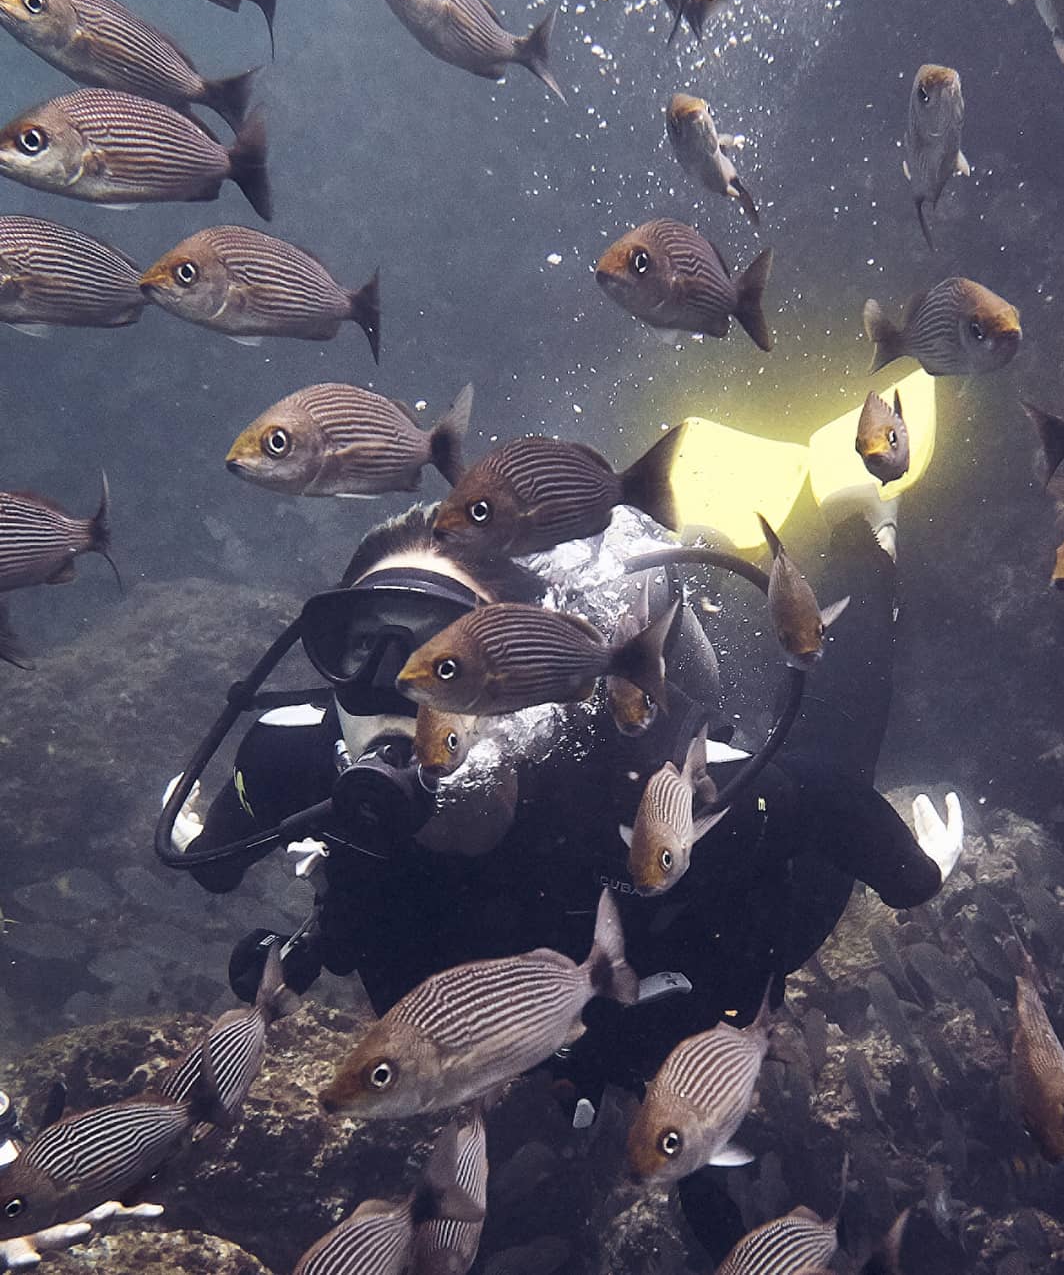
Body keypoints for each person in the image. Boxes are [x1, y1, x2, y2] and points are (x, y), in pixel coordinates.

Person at [162, 392, 963, 1262]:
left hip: (713, 965)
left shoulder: (626, 777)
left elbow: (831, 799)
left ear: (516, 669)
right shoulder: (294, 761)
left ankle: (858, 523)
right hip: (517, 1034)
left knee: (831, 747)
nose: (400, 690)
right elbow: (209, 860)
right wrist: (210, 832)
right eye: (357, 645)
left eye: (444, 651)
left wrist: (916, 876)